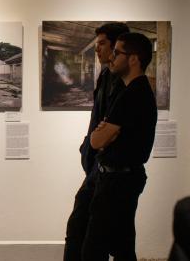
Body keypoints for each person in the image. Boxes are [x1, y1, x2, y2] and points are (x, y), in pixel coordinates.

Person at [84, 32, 158, 260]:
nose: (111, 58)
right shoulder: (139, 91)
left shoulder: (131, 95)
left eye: (117, 53)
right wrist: (106, 132)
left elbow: (96, 141)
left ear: (133, 58)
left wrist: (103, 133)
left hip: (117, 182)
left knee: (93, 250)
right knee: (123, 247)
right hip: (125, 179)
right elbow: (104, 136)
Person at [64, 22, 130, 261]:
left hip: (108, 167)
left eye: (102, 44)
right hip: (98, 164)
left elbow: (111, 129)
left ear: (116, 47)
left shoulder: (123, 82)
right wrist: (88, 146)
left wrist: (95, 143)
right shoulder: (105, 75)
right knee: (93, 232)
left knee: (92, 233)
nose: (97, 49)